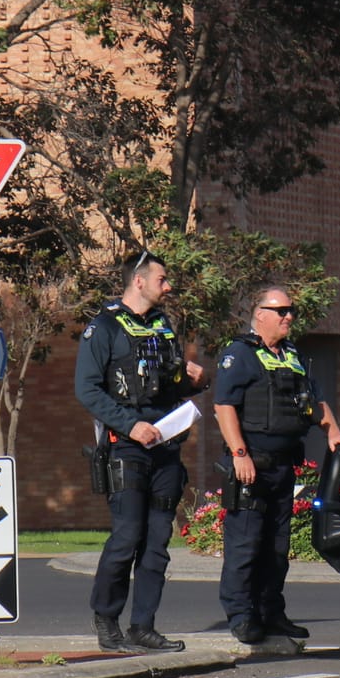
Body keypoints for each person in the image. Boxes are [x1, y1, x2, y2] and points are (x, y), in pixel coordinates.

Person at [75, 250, 208, 653]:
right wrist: (130, 424)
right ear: (138, 281)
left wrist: (195, 382)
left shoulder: (162, 326)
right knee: (127, 535)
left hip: (165, 447)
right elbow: (87, 389)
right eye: (161, 279)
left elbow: (167, 385)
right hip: (126, 448)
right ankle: (106, 619)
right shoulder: (104, 327)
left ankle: (143, 626)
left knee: (156, 542)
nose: (168, 287)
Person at [213, 283, 340, 645]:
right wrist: (240, 454)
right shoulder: (240, 354)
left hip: (282, 466)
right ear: (260, 314)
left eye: (291, 311)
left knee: (277, 547)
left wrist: (333, 431)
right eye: (281, 311)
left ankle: (271, 613)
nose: (289, 316)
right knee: (246, 545)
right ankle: (242, 616)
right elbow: (224, 406)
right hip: (250, 465)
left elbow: (315, 401)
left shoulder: (292, 355)